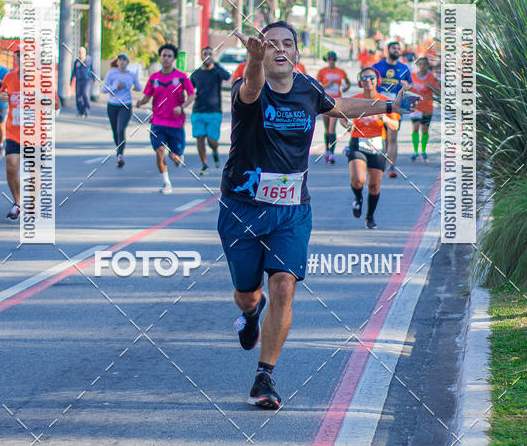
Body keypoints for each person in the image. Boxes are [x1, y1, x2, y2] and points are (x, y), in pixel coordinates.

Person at [217, 21, 412, 409]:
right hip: (243, 209)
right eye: (270, 44)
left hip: (292, 210)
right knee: (246, 293)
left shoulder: (308, 88)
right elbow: (253, 88)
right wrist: (252, 63)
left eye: (287, 43)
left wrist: (388, 104)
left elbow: (339, 108)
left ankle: (264, 377)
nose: (279, 49)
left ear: (297, 52)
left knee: (284, 286)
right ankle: (252, 313)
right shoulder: (247, 88)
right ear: (261, 51)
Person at [0, 48, 61, 220]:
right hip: (13, 131)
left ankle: (32, 205)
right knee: (11, 167)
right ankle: (18, 203)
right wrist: (2, 96)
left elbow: (56, 104)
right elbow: (3, 93)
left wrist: (39, 97)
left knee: (34, 172)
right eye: (18, 56)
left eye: (25, 56)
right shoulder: (9, 77)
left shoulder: (42, 78)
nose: (21, 59)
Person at [342, 67, 400, 229]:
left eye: (371, 78)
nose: (368, 80)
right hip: (357, 142)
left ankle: (370, 217)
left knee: (374, 185)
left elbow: (395, 125)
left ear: (377, 81)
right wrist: (347, 124)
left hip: (377, 144)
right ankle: (358, 198)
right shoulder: (353, 100)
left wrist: (385, 119)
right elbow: (342, 117)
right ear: (360, 82)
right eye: (364, 78)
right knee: (358, 179)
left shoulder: (385, 101)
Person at [136, 43, 195, 194]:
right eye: (164, 56)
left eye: (169, 56)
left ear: (173, 58)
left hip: (176, 123)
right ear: (160, 57)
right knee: (159, 150)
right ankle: (166, 183)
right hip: (158, 121)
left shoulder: (181, 77)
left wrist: (182, 107)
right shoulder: (154, 78)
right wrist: (140, 102)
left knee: (174, 155)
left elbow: (192, 94)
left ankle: (177, 154)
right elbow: (147, 95)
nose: (166, 59)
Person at [373, 41, 412, 178]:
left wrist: (407, 86)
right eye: (393, 48)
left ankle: (391, 167)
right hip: (378, 105)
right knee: (380, 136)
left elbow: (410, 85)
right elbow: (370, 82)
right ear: (387, 50)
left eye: (398, 48)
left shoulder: (404, 68)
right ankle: (380, 162)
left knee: (392, 136)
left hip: (395, 107)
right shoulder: (377, 66)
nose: (396, 50)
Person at [190, 46, 230, 176]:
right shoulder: (196, 73)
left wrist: (215, 63)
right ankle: (205, 165)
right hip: (198, 111)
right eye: (205, 54)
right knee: (200, 139)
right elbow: (190, 90)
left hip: (214, 112)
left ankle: (214, 151)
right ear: (201, 56)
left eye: (209, 54)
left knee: (212, 141)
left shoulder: (217, 71)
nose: (207, 55)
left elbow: (227, 76)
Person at [102, 53, 141, 167]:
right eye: (120, 60)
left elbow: (139, 87)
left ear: (128, 63)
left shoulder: (131, 75)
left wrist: (136, 87)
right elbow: (104, 89)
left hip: (126, 105)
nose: (122, 62)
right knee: (115, 131)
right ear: (117, 62)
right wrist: (115, 87)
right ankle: (119, 148)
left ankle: (120, 154)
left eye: (124, 60)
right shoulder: (112, 73)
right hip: (113, 105)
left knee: (120, 129)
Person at [316, 51, 351, 164]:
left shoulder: (341, 71)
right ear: (327, 60)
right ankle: (327, 150)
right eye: (329, 59)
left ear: (335, 60)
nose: (331, 61)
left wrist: (344, 89)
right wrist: (326, 85)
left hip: (336, 102)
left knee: (332, 128)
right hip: (325, 101)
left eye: (333, 59)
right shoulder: (322, 71)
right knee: (327, 130)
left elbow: (348, 83)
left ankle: (331, 153)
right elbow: (317, 87)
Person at [410, 57, 440, 162]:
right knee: (415, 127)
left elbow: (439, 92)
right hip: (415, 106)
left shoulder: (431, 78)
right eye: (420, 64)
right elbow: (407, 88)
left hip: (427, 107)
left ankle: (423, 150)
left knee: (425, 130)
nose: (422, 66)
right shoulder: (412, 76)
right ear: (418, 65)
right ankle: (415, 151)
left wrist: (432, 86)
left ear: (428, 66)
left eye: (424, 64)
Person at [70, 45, 93, 117]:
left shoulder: (89, 60)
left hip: (87, 80)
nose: (80, 53)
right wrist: (71, 80)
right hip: (79, 80)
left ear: (85, 52)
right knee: (78, 96)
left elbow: (93, 69)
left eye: (82, 52)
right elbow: (74, 71)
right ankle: (80, 111)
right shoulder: (77, 61)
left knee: (85, 94)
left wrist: (94, 79)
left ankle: (87, 109)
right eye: (79, 52)